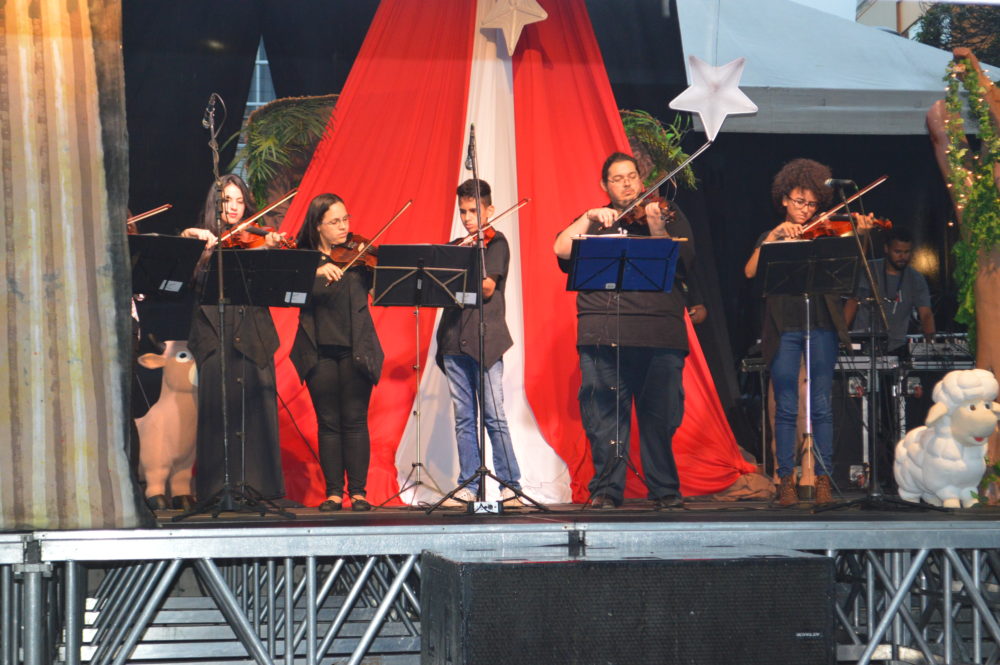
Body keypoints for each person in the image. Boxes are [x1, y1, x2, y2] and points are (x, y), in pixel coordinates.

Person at [553, 152, 696, 510]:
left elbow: (685, 262)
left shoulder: (665, 215)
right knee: (603, 419)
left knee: (660, 417)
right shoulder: (596, 221)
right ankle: (606, 490)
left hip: (658, 333)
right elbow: (561, 249)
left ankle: (665, 489)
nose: (627, 183)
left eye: (632, 176)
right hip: (602, 333)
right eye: (617, 178)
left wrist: (657, 229)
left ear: (641, 179)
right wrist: (587, 217)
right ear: (604, 185)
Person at [744, 158, 871, 507]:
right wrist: (774, 237)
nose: (805, 209)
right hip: (785, 327)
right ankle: (786, 479)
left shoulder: (824, 234)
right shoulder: (772, 235)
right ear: (784, 199)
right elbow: (750, 271)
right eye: (799, 201)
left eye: (812, 204)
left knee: (822, 407)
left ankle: (823, 479)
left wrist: (860, 234)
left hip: (822, 324)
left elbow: (852, 267)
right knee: (786, 407)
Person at [181, 174, 287, 504]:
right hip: (214, 334)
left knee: (255, 412)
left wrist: (269, 250)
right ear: (215, 203)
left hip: (253, 332)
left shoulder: (253, 238)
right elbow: (184, 273)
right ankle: (217, 491)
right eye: (227, 200)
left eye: (240, 201)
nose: (234, 207)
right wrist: (191, 240)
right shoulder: (203, 239)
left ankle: (260, 489)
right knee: (219, 411)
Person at [290, 193, 383, 512]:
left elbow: (380, 292)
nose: (344, 227)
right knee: (328, 422)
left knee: (355, 420)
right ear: (318, 226)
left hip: (356, 346)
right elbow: (288, 290)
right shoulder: (303, 260)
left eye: (346, 219)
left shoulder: (360, 253)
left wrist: (378, 270)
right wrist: (315, 271)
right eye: (335, 221)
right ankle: (333, 493)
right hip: (317, 349)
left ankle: (358, 492)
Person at [437, 179, 523, 507]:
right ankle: (469, 485)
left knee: (494, 416)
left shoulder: (496, 243)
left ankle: (510, 485)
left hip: (486, 340)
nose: (468, 218)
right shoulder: (455, 246)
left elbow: (487, 287)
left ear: (490, 210)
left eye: (474, 211)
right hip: (453, 340)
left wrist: (466, 261)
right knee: (463, 418)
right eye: (463, 212)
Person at [844, 227, 935, 354]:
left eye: (907, 252)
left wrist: (931, 345)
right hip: (864, 342)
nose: (902, 256)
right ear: (886, 249)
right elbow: (852, 302)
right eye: (897, 252)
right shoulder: (869, 269)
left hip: (897, 346)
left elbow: (926, 315)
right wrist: (841, 336)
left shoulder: (916, 278)